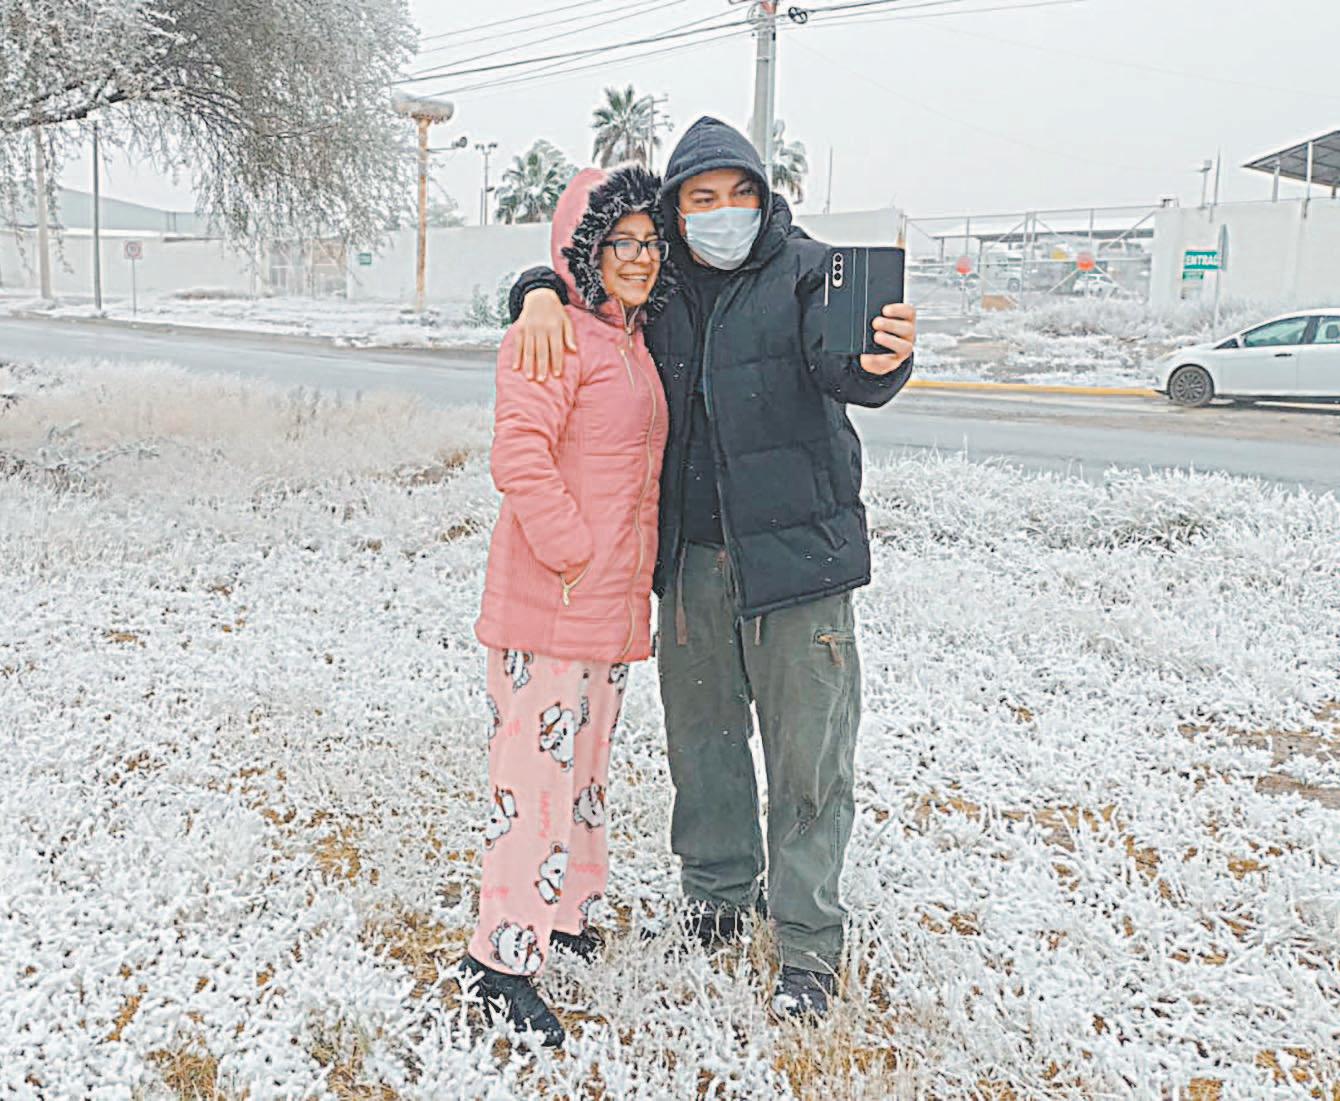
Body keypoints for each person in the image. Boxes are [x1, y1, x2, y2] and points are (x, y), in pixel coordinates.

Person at [505, 116, 917, 1021]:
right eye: (701, 198)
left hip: (799, 568)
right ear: (677, 209)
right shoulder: (662, 286)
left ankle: (806, 941)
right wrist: (534, 290)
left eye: (739, 194)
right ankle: (719, 901)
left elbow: (850, 365)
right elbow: (587, 278)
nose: (723, 212)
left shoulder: (804, 272)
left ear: (764, 200)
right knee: (705, 749)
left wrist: (883, 360)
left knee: (809, 760)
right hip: (692, 563)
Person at [460, 164, 672, 1047]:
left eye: (650, 241)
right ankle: (498, 962)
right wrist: (575, 555)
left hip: (605, 616)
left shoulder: (630, 339)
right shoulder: (550, 336)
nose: (641, 256)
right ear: (583, 249)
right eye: (621, 240)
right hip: (550, 609)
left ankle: (566, 913)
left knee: (583, 778)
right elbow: (520, 457)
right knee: (532, 791)